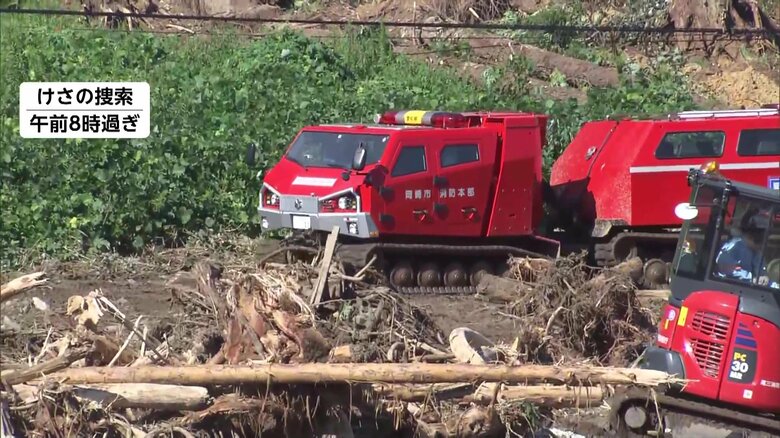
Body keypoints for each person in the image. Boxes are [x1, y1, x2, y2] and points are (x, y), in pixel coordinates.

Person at [715, 209, 778, 288]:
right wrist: (753, 279)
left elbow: (762, 272)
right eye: (762, 237)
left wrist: (766, 278)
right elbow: (726, 269)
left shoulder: (756, 252)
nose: (763, 243)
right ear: (752, 235)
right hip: (728, 288)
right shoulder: (733, 248)